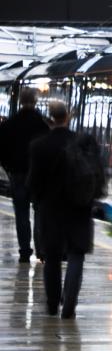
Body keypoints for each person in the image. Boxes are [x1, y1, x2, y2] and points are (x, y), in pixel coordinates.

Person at [25, 99, 105, 319]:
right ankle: (69, 302)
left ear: (50, 118)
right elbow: (97, 175)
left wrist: (38, 200)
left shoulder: (38, 146)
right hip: (79, 207)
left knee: (52, 257)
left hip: (50, 210)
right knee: (76, 254)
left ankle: (52, 304)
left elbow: (32, 183)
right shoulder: (84, 142)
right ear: (67, 117)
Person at [0, 90, 50, 264]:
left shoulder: (9, 124)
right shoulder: (43, 124)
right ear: (35, 101)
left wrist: (8, 168)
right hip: (39, 175)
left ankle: (24, 251)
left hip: (18, 174)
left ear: (20, 102)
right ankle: (41, 250)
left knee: (21, 213)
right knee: (40, 212)